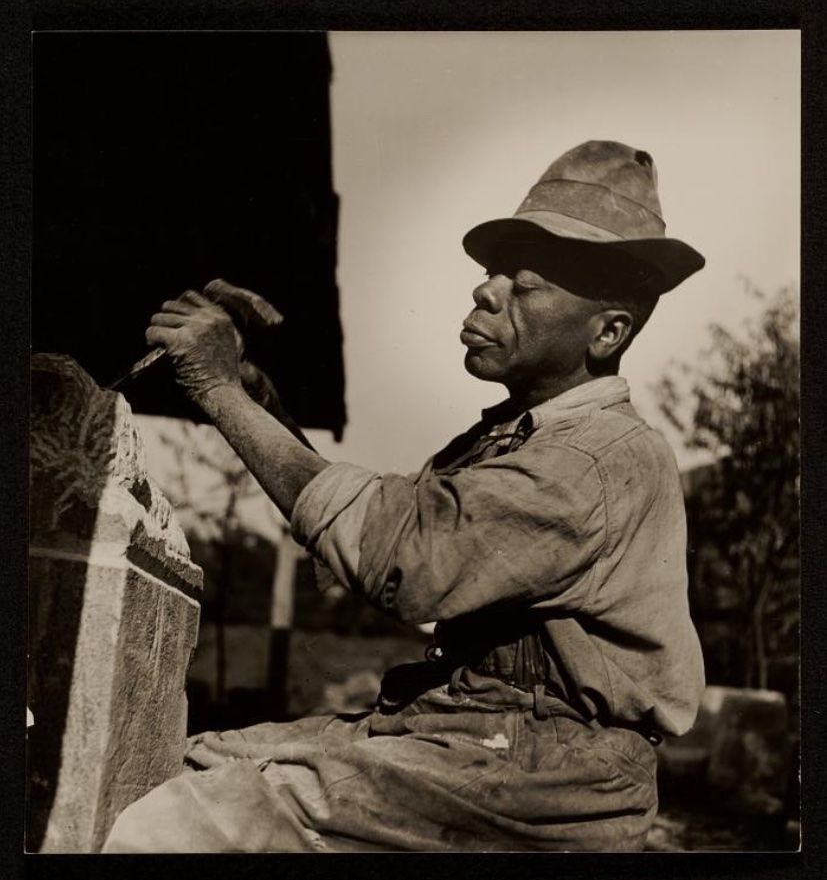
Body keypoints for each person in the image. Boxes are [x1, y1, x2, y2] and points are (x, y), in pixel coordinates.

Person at [103, 140, 706, 853]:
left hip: (545, 779)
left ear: (607, 331)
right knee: (191, 757)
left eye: (528, 283)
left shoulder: (598, 455)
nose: (486, 291)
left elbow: (404, 559)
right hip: (468, 738)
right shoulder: (514, 440)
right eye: (491, 273)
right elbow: (358, 541)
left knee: (176, 826)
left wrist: (218, 391)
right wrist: (256, 398)